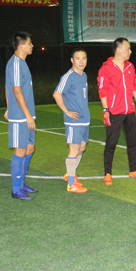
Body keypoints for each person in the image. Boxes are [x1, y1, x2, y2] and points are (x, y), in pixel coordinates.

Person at [98, 37, 136, 185]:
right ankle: (108, 173)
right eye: (128, 48)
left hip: (129, 110)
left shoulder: (130, 66)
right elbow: (102, 90)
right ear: (119, 50)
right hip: (114, 111)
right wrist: (106, 110)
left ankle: (133, 169)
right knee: (111, 143)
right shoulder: (106, 68)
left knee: (133, 142)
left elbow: (134, 86)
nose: (130, 51)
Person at [5, 32, 39, 200]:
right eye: (30, 43)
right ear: (21, 46)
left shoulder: (22, 63)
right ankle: (16, 190)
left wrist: (8, 107)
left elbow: (8, 87)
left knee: (30, 148)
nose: (32, 46)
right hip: (21, 116)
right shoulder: (16, 63)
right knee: (20, 150)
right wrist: (27, 115)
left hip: (26, 113)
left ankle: (21, 183)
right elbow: (16, 90)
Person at [53, 48, 89, 193]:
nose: (81, 61)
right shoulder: (68, 76)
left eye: (84, 58)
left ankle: (70, 175)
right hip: (74, 120)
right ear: (72, 60)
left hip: (84, 120)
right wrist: (67, 111)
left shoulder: (84, 75)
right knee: (74, 149)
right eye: (78, 58)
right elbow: (56, 94)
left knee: (82, 147)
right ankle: (71, 184)